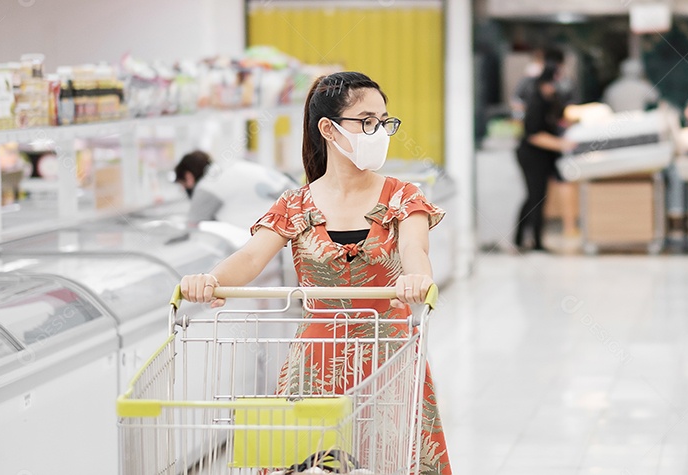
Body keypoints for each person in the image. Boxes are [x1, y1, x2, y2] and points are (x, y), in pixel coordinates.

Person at [178, 72, 451, 474]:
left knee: (392, 461)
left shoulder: (402, 195)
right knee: (303, 464)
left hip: (390, 358)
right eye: (367, 121)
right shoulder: (295, 203)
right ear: (329, 128)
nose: (379, 132)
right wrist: (211, 280)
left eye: (384, 121)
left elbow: (414, 248)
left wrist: (417, 278)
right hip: (316, 361)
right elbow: (252, 257)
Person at [514, 63, 577, 251]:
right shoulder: (536, 102)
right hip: (531, 156)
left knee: (536, 197)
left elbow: (559, 120)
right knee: (535, 197)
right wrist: (561, 144)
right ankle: (534, 241)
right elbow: (534, 135)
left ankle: (525, 239)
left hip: (546, 157)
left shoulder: (552, 101)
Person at [174, 150, 298, 230]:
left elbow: (192, 228)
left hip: (282, 230)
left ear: (188, 177)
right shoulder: (230, 166)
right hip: (299, 211)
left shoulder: (207, 185)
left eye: (182, 184)